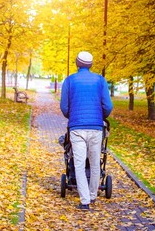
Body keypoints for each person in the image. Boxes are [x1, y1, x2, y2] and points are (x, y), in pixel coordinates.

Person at [60, 51, 113, 210]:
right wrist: (100, 116)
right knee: (96, 162)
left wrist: (73, 115)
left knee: (79, 163)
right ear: (90, 64)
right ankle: (92, 195)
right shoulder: (100, 80)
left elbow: (64, 107)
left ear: (77, 63)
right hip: (96, 128)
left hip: (77, 128)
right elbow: (108, 106)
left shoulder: (69, 81)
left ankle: (85, 201)